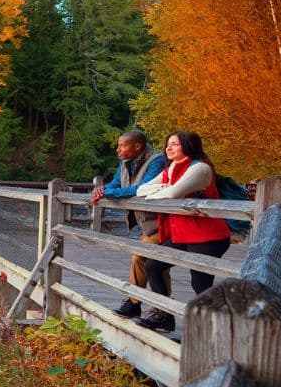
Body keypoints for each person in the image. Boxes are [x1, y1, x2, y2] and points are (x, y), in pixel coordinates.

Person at [133, 131, 233, 332]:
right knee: (153, 265)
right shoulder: (170, 169)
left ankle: (203, 332)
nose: (168, 148)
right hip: (183, 235)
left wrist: (163, 190)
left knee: (201, 284)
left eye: (175, 144)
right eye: (168, 144)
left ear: (188, 146)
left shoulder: (200, 168)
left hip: (208, 237)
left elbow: (172, 193)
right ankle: (164, 316)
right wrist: (163, 189)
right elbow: (140, 190)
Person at [89, 130, 168, 317]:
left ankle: (139, 304)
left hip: (161, 221)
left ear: (137, 147)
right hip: (145, 224)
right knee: (156, 263)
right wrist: (102, 190)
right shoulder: (125, 162)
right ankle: (160, 310)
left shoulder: (157, 160)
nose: (118, 150)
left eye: (122, 146)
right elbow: (115, 184)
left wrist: (108, 193)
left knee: (143, 258)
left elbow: (143, 188)